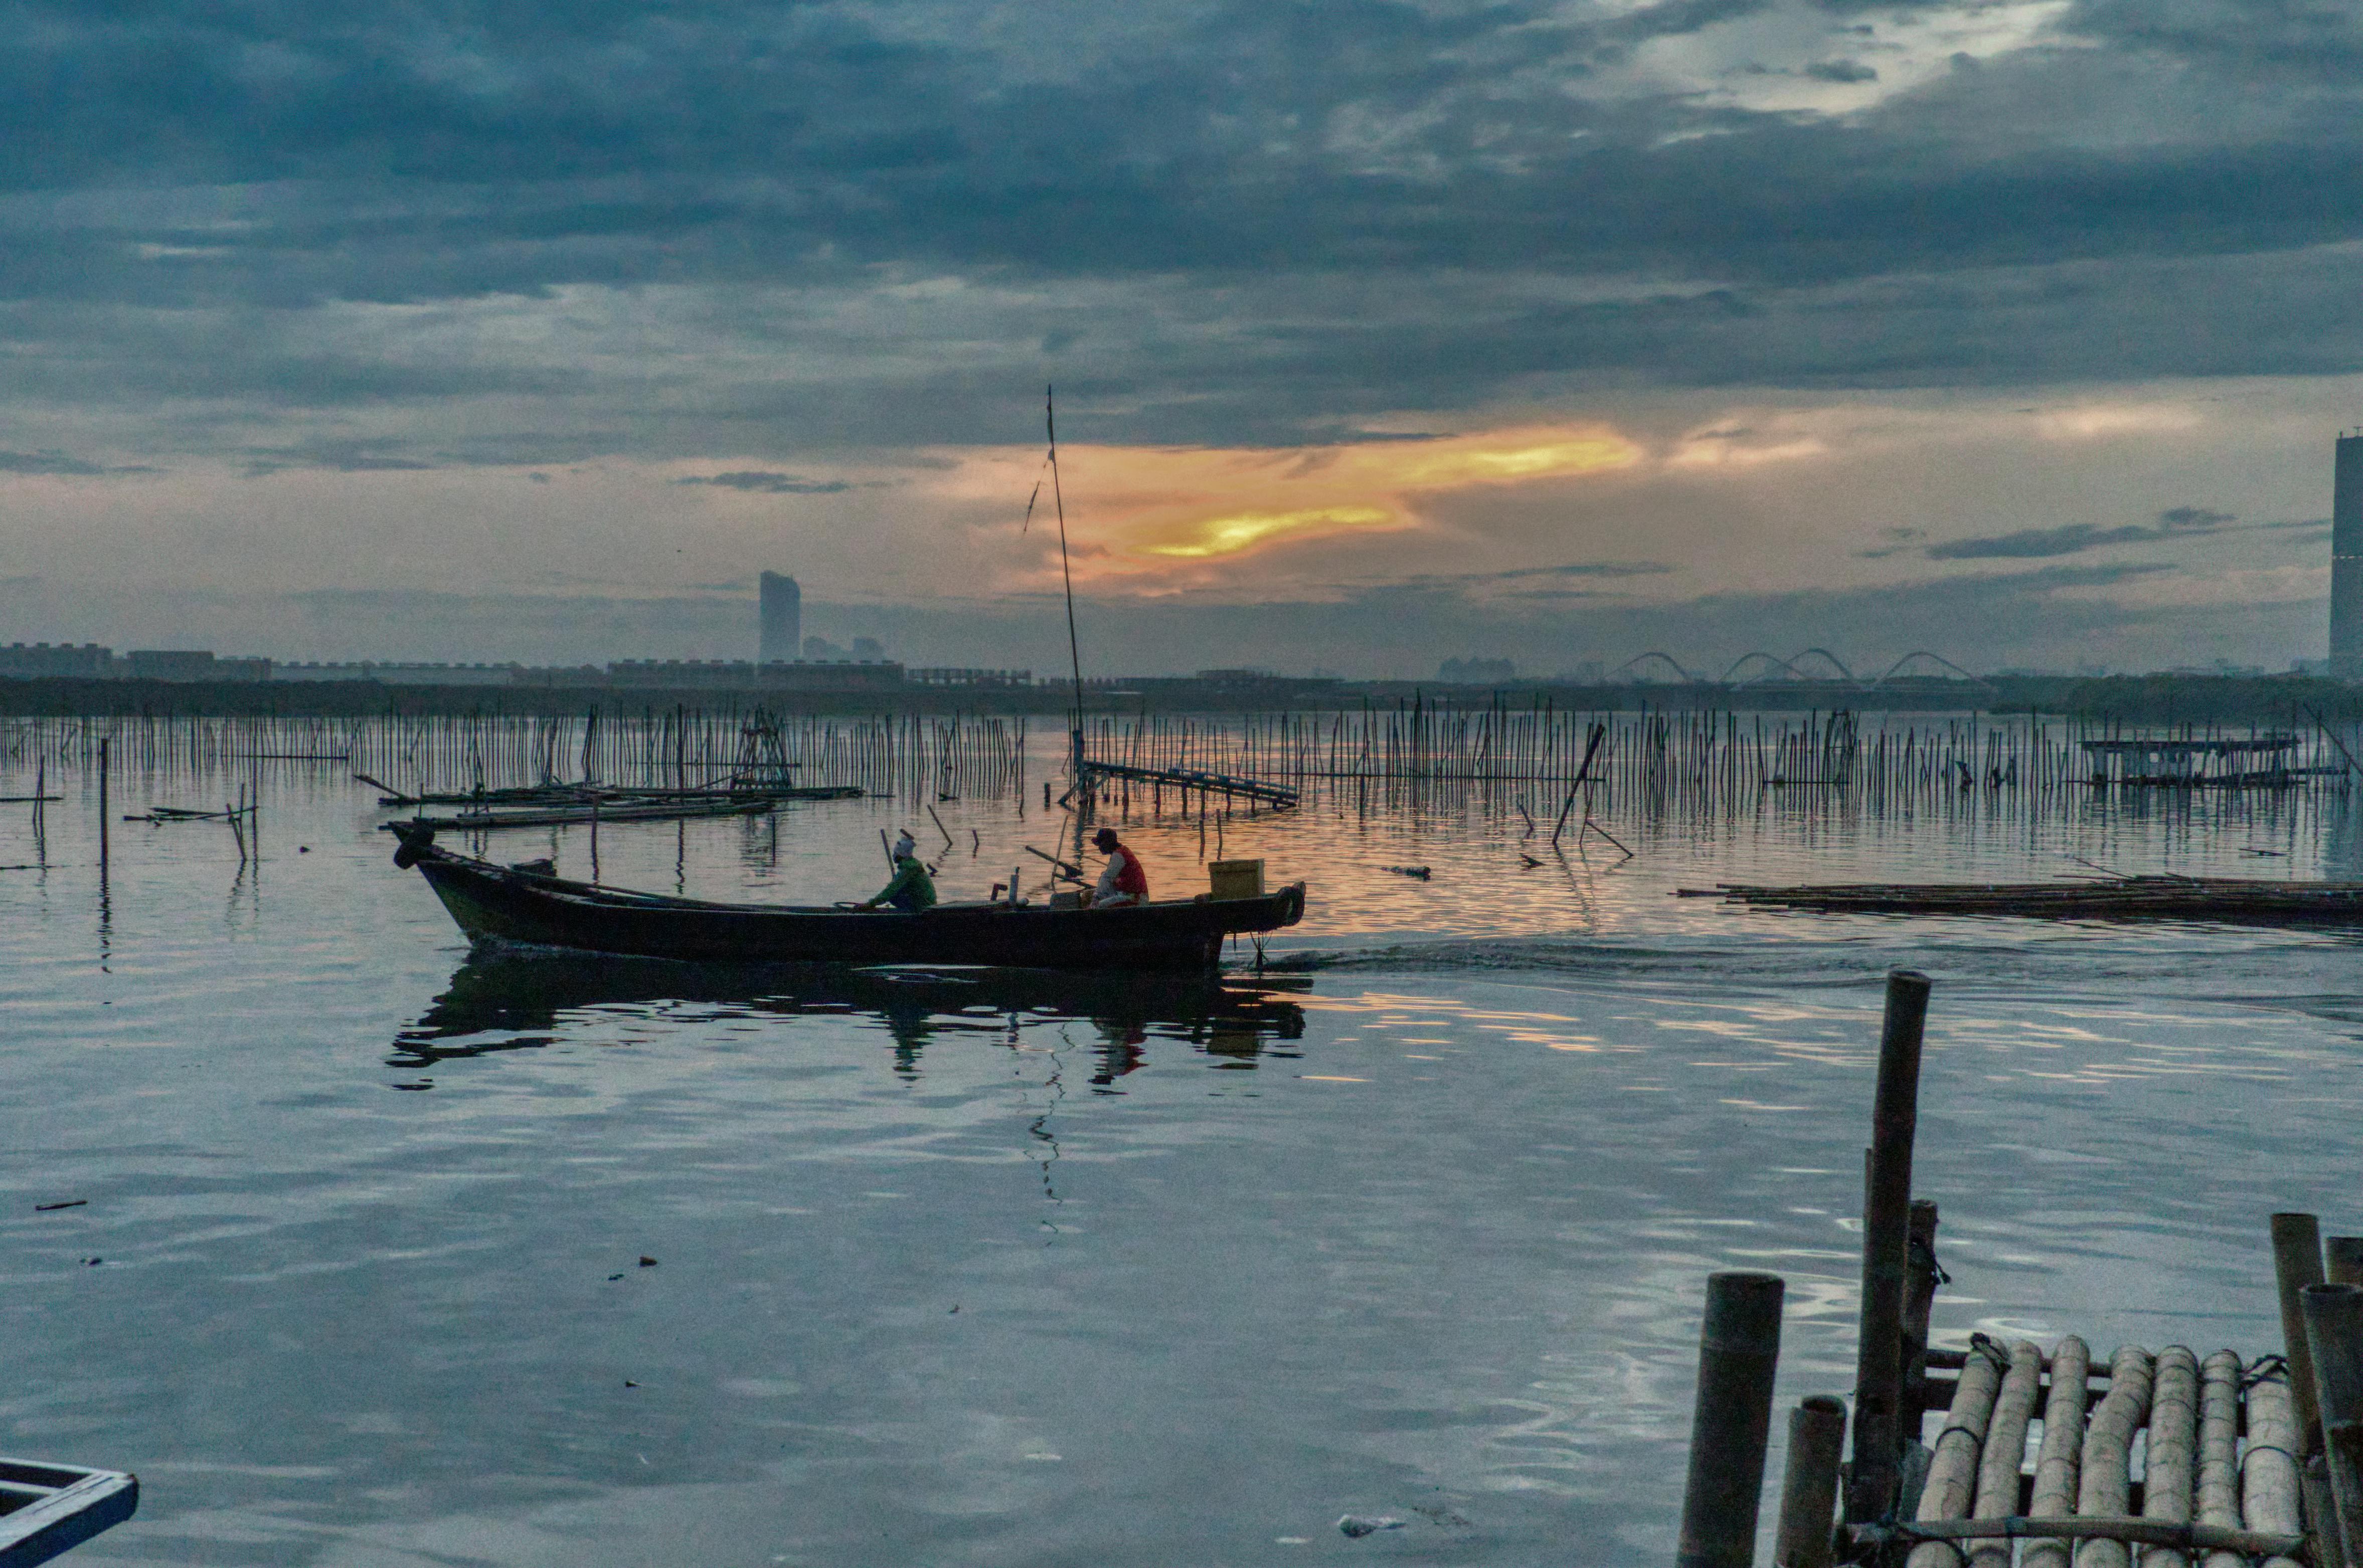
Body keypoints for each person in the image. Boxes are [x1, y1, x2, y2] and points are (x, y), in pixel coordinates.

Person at [863, 847, 937, 912]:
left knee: (893, 895)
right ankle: (905, 910)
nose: (893, 855)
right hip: (925, 904)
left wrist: (871, 904)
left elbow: (891, 890)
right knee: (895, 893)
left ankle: (909, 913)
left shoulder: (908, 869)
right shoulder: (911, 865)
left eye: (895, 853)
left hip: (923, 908)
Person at [1091, 828, 1148, 907]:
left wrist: (1096, 899)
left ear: (1108, 843)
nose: (1099, 847)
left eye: (1101, 843)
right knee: (1089, 894)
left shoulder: (1119, 855)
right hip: (1129, 895)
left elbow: (1107, 877)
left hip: (1135, 899)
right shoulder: (1121, 851)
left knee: (1098, 906)